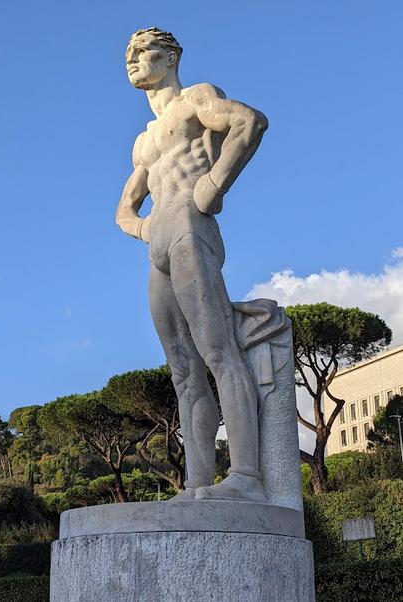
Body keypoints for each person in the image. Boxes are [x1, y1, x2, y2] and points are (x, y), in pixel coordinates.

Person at [116, 28, 268, 501]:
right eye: (129, 54)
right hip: (159, 238)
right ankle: (198, 483)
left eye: (143, 51)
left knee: (217, 350)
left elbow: (250, 122)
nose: (133, 59)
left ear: (171, 57)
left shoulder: (195, 100)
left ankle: (246, 475)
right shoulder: (143, 143)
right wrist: (145, 227)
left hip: (189, 221)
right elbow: (124, 208)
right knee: (183, 372)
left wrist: (213, 186)